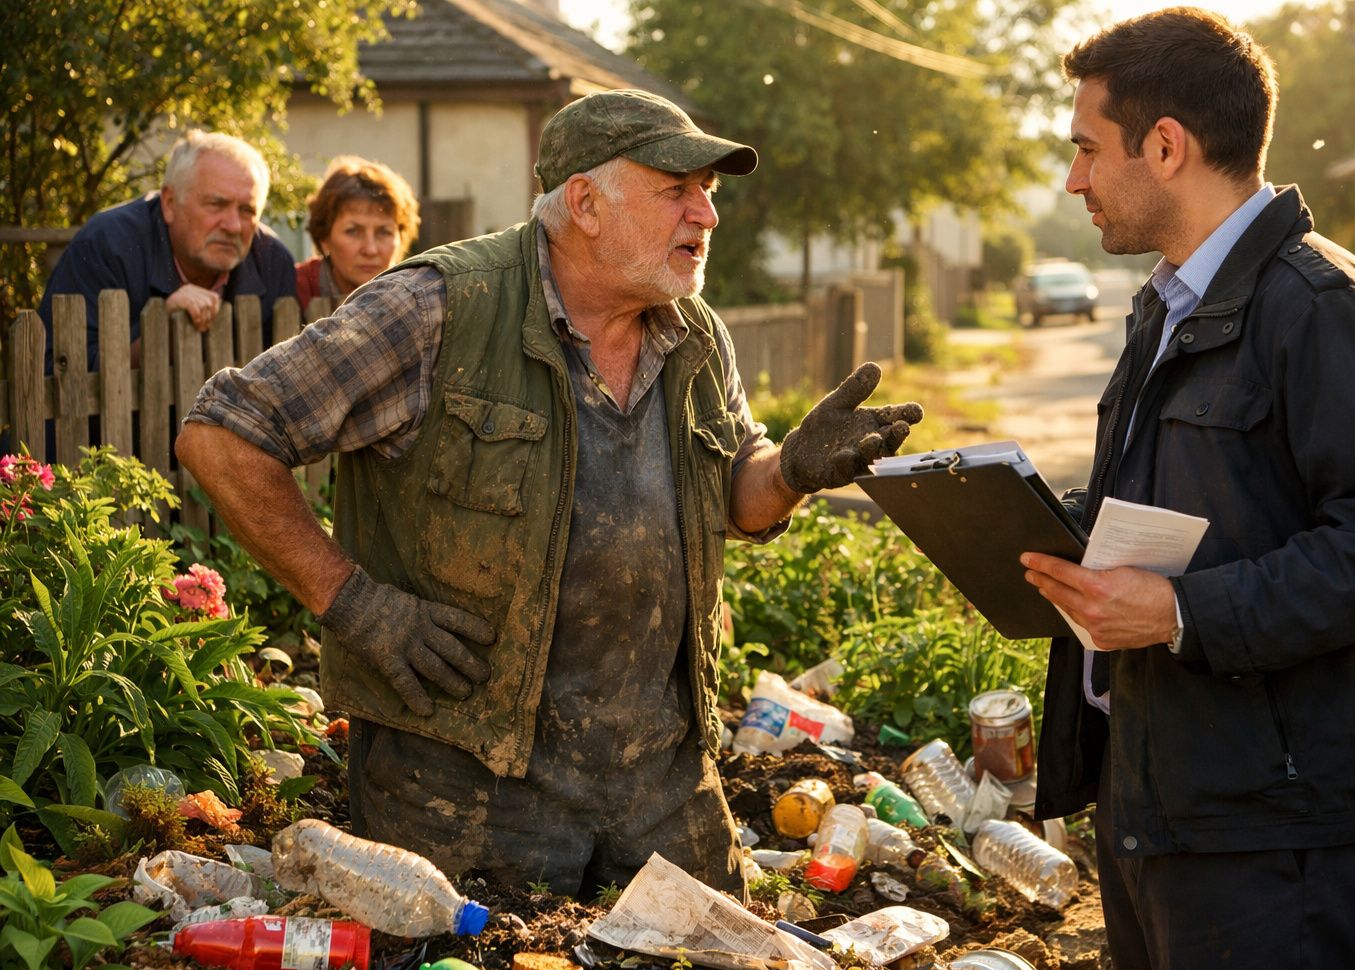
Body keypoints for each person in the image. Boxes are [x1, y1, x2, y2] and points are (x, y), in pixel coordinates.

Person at [176, 89, 921, 898]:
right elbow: (221, 435)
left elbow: (737, 501)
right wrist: (355, 605)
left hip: (657, 778)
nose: (706, 215)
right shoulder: (440, 308)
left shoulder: (694, 334)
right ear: (586, 204)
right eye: (678, 190)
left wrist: (787, 475)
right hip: (468, 780)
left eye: (709, 191)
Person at [1022, 10, 1355, 970]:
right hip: (1165, 809)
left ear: (1166, 145)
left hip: (1275, 843)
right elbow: (1182, 510)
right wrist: (1028, 527)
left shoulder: (1328, 311)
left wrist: (1182, 615)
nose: (1073, 180)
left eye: (1086, 148)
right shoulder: (1168, 305)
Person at [41, 130, 296, 368]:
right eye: (216, 204)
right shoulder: (106, 245)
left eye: (247, 210)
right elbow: (63, 375)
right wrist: (156, 332)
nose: (233, 226)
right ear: (170, 203)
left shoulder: (272, 261)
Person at [294, 155, 421, 311]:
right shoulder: (292, 288)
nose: (370, 250)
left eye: (384, 232)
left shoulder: (419, 297)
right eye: (353, 231)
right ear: (324, 238)